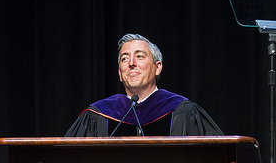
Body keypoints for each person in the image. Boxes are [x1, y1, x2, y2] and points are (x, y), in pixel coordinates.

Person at [65, 33, 223, 137]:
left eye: (139, 56)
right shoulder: (98, 114)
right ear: (120, 73)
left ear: (158, 67)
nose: (131, 63)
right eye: (124, 59)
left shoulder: (183, 111)